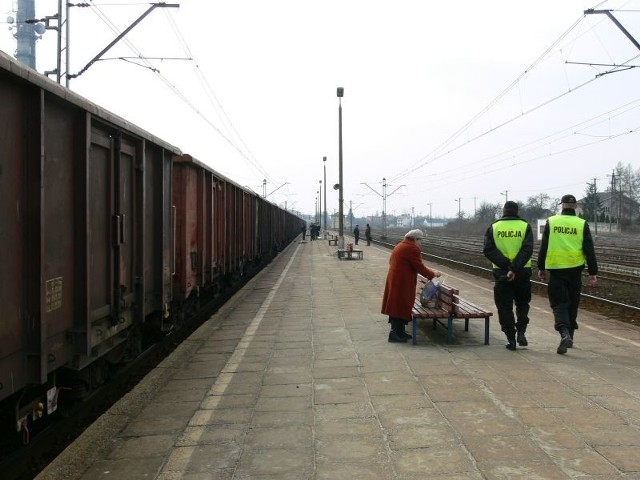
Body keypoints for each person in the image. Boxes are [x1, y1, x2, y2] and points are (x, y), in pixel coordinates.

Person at [538, 194, 598, 355]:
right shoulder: (582, 224)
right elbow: (589, 250)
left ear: (561, 205)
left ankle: (564, 333)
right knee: (572, 302)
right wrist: (593, 272)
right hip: (575, 270)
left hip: (556, 270)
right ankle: (570, 335)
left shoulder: (552, 221)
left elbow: (544, 247)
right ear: (575, 206)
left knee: (559, 303)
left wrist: (541, 268)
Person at [483, 201, 533, 351]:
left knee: (504, 307)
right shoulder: (525, 226)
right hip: (522, 272)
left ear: (503, 211)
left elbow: (488, 249)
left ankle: (511, 339)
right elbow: (527, 249)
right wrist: (515, 267)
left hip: (502, 274)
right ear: (517, 211)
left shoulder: (494, 227)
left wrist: (507, 267)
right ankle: (522, 332)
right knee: (523, 304)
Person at [381, 229, 442, 343]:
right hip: (402, 282)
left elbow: (394, 262)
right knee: (400, 305)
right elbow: (420, 267)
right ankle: (394, 334)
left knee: (398, 305)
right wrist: (433, 274)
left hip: (397, 280)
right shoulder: (412, 248)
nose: (421, 243)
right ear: (415, 239)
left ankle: (400, 332)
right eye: (420, 240)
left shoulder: (401, 245)